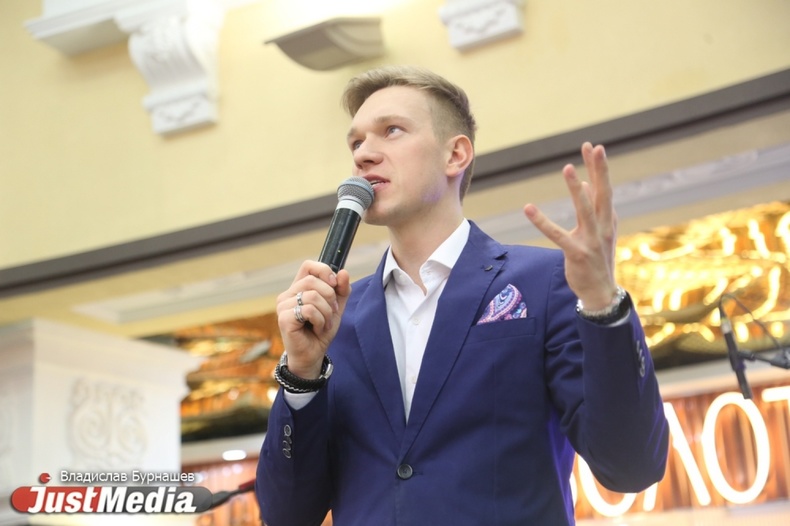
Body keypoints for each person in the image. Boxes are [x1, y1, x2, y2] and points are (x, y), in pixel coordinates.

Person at [255, 65, 669, 526]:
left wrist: (604, 306)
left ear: (456, 155)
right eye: (355, 143)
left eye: (391, 131)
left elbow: (632, 465)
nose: (364, 154)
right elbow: (287, 516)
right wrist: (301, 374)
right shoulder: (337, 317)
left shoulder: (544, 281)